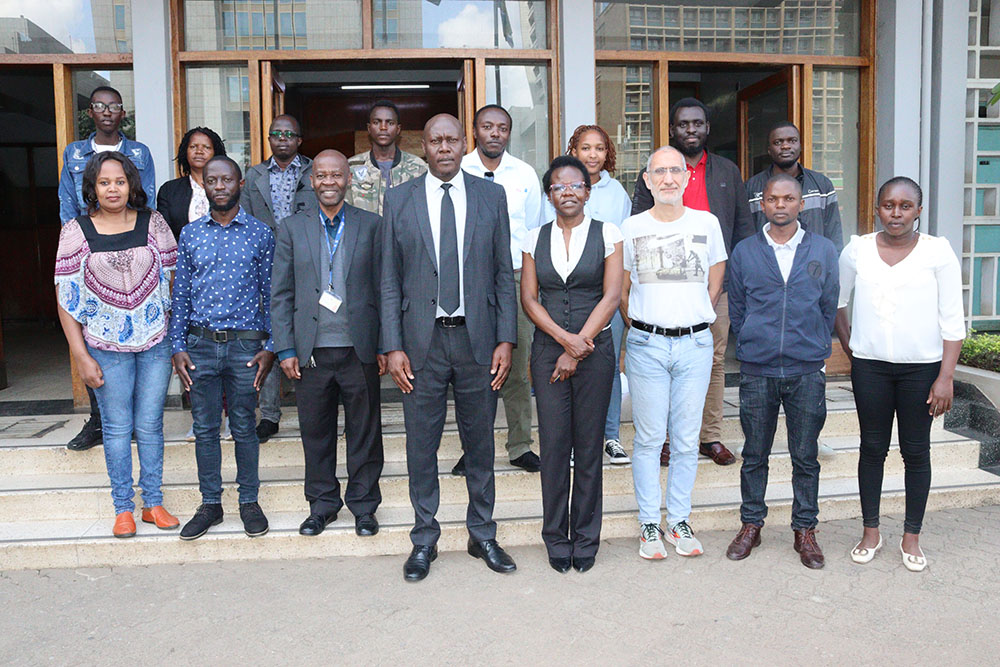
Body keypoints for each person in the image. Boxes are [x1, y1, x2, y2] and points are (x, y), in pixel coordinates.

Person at [381, 114, 518, 582]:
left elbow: (504, 272)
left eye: (452, 140)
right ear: (423, 146)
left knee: (480, 443)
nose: (444, 147)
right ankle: (424, 539)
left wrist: (506, 338)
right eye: (435, 140)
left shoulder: (490, 195)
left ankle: (482, 534)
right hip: (421, 343)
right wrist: (392, 345)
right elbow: (388, 280)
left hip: (479, 340)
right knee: (422, 446)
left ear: (466, 144)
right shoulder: (398, 199)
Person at [835, 176, 965, 572]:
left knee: (915, 451)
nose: (896, 212)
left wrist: (945, 377)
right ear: (878, 208)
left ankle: (912, 536)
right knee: (872, 448)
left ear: (918, 211)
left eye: (905, 206)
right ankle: (871, 531)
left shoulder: (937, 252)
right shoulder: (857, 250)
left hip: (922, 371)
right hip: (870, 368)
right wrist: (853, 351)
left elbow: (952, 320)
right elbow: (838, 303)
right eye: (889, 205)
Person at [54, 151, 177, 538]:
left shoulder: (153, 223)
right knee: (118, 427)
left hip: (155, 343)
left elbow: (173, 283)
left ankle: (152, 503)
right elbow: (66, 299)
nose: (113, 188)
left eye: (120, 181)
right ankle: (123, 507)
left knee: (151, 425)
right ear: (92, 187)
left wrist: (173, 339)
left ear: (131, 185)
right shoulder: (76, 230)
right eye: (104, 182)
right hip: (104, 347)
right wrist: (80, 356)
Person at [631, 98, 754, 469]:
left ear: (707, 128)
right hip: (663, 287)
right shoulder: (653, 173)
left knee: (714, 360)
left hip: (715, 285)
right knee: (666, 363)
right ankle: (667, 438)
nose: (691, 130)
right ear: (673, 129)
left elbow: (742, 228)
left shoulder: (727, 171)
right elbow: (639, 227)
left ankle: (710, 436)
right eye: (683, 124)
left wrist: (725, 285)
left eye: (697, 123)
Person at [725, 173, 839, 569]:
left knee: (805, 456)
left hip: (806, 370)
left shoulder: (823, 250)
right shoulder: (744, 252)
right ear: (762, 204)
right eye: (772, 198)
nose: (780, 205)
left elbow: (829, 306)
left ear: (800, 204)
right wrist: (756, 340)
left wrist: (811, 345)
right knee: (754, 453)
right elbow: (737, 308)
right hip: (757, 371)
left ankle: (804, 529)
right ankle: (751, 524)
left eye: (788, 198)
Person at [271, 150, 386, 538]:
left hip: (360, 348)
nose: (330, 182)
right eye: (322, 175)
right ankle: (321, 506)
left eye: (337, 175)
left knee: (364, 433)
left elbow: (385, 289)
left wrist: (387, 345)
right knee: (315, 433)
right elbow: (281, 294)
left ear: (348, 180)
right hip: (310, 353)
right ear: (312, 181)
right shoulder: (291, 228)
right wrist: (285, 349)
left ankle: (365, 507)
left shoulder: (372, 225)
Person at [621, 146, 726, 560]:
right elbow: (622, 289)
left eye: (675, 171)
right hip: (647, 345)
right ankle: (650, 524)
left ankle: (679, 520)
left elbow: (716, 277)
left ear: (687, 178)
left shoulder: (707, 223)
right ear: (647, 180)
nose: (668, 178)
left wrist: (695, 315)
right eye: (659, 172)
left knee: (684, 440)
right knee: (649, 439)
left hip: (695, 344)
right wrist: (643, 326)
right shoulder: (630, 227)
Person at [522, 155, 623, 573]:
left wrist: (580, 345)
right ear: (549, 194)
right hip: (549, 351)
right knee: (554, 444)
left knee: (588, 446)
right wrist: (565, 343)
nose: (568, 192)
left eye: (576, 185)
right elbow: (529, 298)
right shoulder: (533, 237)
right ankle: (555, 536)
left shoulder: (609, 233)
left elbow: (612, 296)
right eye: (559, 186)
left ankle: (585, 536)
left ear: (588, 190)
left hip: (595, 350)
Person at [171, 156, 276, 541]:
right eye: (212, 180)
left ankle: (249, 501)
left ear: (240, 183)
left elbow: (272, 294)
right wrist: (177, 345)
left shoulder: (261, 234)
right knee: (204, 428)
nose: (219, 185)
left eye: (227, 179)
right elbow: (180, 293)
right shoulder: (190, 234)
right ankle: (210, 505)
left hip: (246, 347)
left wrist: (272, 346)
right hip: (199, 346)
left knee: (245, 427)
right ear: (204, 184)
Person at [59, 85, 156, 453]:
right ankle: (100, 420)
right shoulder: (74, 153)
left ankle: (126, 420)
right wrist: (78, 244)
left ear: (122, 112)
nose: (107, 111)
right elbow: (68, 203)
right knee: (89, 333)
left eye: (114, 105)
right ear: (90, 112)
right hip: (87, 251)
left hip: (132, 249)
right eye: (99, 105)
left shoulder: (138, 153)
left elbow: (144, 198)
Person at [459, 103, 543, 475]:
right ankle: (474, 448)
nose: (495, 133)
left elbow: (536, 232)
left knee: (518, 367)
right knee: (474, 368)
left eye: (502, 128)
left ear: (509, 133)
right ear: (475, 131)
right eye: (487, 126)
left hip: (514, 277)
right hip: (468, 279)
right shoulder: (458, 170)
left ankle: (520, 444)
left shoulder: (524, 174)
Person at [545, 124, 633, 464]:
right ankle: (569, 440)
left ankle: (610, 435)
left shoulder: (617, 194)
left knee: (606, 367)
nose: (592, 154)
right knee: (565, 360)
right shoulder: (558, 188)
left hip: (607, 295)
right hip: (566, 295)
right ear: (574, 151)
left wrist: (622, 295)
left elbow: (624, 250)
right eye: (585, 148)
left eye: (599, 148)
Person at [241, 114, 314, 443]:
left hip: (309, 262)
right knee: (270, 336)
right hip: (265, 266)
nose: (282, 138)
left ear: (299, 140)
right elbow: (243, 222)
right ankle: (269, 414)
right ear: (269, 139)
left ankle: (314, 410)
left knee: (310, 334)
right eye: (276, 134)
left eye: (290, 134)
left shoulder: (315, 171)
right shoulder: (254, 175)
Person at [745, 121, 844, 251]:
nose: (785, 146)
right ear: (769, 150)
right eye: (778, 142)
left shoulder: (822, 185)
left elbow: (834, 234)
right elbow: (745, 234)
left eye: (792, 141)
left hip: (813, 266)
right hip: (766, 266)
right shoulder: (752, 187)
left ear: (800, 146)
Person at [346, 99, 427, 215]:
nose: (383, 127)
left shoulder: (419, 167)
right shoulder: (351, 167)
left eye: (390, 123)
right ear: (369, 128)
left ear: (398, 129)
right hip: (366, 233)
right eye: (376, 122)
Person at [156, 126, 226, 240]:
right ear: (185, 151)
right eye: (193, 147)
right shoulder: (169, 190)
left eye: (206, 147)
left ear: (216, 153)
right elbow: (164, 233)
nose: (199, 151)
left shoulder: (227, 188)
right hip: (182, 255)